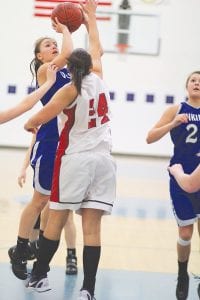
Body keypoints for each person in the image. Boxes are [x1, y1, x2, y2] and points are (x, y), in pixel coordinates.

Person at [24, 1, 116, 299]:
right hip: (105, 162)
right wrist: (90, 20)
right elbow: (97, 48)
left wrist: (31, 123)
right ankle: (88, 289)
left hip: (76, 160)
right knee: (92, 229)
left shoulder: (68, 89)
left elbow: (37, 118)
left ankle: (38, 274)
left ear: (69, 67)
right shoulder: (99, 78)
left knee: (57, 218)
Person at [8, 17, 78, 280]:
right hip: (49, 141)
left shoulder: (68, 71)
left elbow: (76, 56)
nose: (54, 46)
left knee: (58, 204)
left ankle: (36, 246)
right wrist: (65, 30)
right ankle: (22, 247)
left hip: (70, 143)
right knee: (39, 200)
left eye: (54, 43)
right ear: (39, 56)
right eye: (48, 45)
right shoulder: (45, 70)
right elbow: (69, 51)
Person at [146, 71, 200, 300]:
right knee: (186, 232)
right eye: (193, 80)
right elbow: (150, 137)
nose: (197, 83)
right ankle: (182, 274)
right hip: (181, 174)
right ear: (186, 85)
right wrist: (173, 123)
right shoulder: (176, 110)